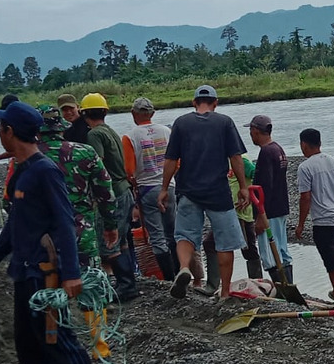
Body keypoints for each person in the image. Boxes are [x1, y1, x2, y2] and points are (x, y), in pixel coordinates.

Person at [0, 101, 111, 364]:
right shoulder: (21, 171)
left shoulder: (45, 170)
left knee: (57, 340)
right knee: (28, 343)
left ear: (9, 132)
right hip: (25, 271)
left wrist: (70, 273)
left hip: (45, 273)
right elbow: (14, 227)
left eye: (1, 128)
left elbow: (65, 222)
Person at [37, 105, 119, 360]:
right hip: (80, 229)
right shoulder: (85, 152)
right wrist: (111, 225)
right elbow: (106, 193)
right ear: (62, 127)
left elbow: (12, 201)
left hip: (43, 234)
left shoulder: (28, 158)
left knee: (47, 285)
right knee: (91, 285)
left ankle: (53, 342)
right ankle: (100, 346)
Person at [158, 85, 249, 300]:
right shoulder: (224, 122)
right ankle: (225, 291)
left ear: (194, 102)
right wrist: (243, 187)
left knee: (185, 235)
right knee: (225, 242)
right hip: (218, 192)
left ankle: (183, 268)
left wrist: (163, 189)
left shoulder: (181, 123)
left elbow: (170, 160)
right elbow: (235, 157)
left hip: (188, 190)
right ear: (215, 103)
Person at [80, 93, 137, 302]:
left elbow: (98, 164)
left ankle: (124, 287)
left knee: (108, 242)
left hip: (113, 192)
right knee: (120, 240)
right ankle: (128, 284)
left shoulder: (94, 135)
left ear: (84, 113)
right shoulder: (110, 131)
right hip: (124, 190)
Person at [122, 97, 177, 281]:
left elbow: (129, 170)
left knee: (157, 236)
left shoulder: (130, 137)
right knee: (172, 232)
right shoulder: (166, 131)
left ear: (133, 114)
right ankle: (180, 271)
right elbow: (177, 161)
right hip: (169, 185)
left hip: (147, 188)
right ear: (152, 114)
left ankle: (169, 279)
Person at [296, 128, 334, 301]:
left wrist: (301, 223)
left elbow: (305, 197)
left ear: (304, 144)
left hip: (323, 220)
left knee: (331, 261)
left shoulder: (305, 167)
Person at [201, 156, 264, 295]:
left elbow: (258, 176)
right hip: (226, 213)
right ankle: (213, 285)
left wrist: (250, 195)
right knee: (210, 244)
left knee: (249, 250)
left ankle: (257, 284)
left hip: (240, 214)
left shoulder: (242, 161)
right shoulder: (221, 161)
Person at [246, 115, 293, 284]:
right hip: (280, 206)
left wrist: (260, 216)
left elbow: (265, 185)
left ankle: (283, 288)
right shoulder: (278, 149)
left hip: (269, 211)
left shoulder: (266, 152)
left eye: (251, 131)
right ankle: (288, 284)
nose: (250, 135)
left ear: (256, 131)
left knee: (269, 252)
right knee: (281, 248)